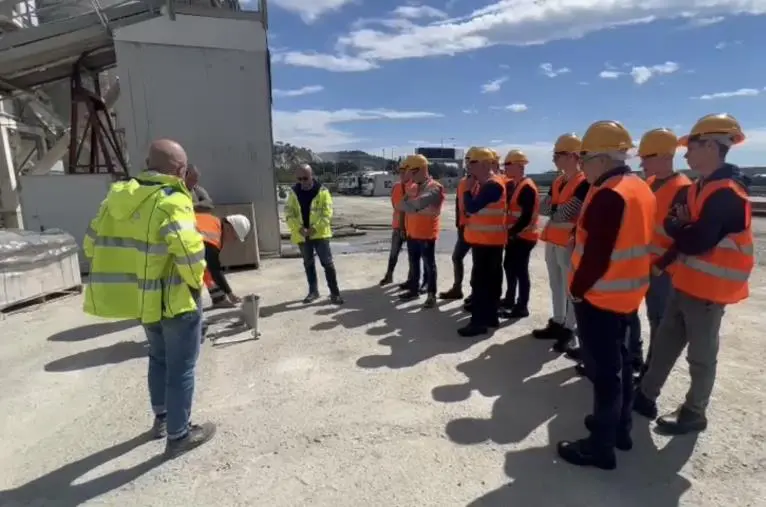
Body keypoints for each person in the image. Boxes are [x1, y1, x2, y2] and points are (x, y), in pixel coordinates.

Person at [82, 139, 216, 459]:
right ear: (179, 170)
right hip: (174, 301)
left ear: (147, 163)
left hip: (143, 299)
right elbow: (189, 250)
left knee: (158, 358)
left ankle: (162, 420)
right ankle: (179, 435)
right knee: (181, 367)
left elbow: (90, 246)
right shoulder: (172, 198)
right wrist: (195, 284)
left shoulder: (116, 198)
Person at [635, 114, 754, 435]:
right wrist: (683, 226)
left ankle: (694, 412)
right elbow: (682, 232)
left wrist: (681, 226)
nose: (685, 154)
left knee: (700, 357)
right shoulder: (701, 187)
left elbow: (696, 240)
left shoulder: (727, 193)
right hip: (685, 283)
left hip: (710, 291)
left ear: (713, 146)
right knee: (664, 344)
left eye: (693, 146)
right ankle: (645, 395)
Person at [557, 121, 656, 470]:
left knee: (605, 373)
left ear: (600, 158)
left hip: (601, 296)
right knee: (624, 365)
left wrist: (578, 291)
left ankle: (600, 446)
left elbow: (597, 255)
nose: (581, 165)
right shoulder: (638, 187)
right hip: (628, 293)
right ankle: (620, 429)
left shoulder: (609, 193)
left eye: (583, 157)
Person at [636, 128, 692, 378]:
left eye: (646, 157)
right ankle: (636, 360)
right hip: (642, 264)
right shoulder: (648, 184)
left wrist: (662, 263)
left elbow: (683, 236)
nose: (642, 162)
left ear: (664, 155)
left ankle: (650, 373)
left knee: (659, 322)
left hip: (663, 269)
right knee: (640, 316)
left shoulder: (683, 189)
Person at [532, 134, 590, 355]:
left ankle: (569, 330)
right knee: (555, 285)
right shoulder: (559, 181)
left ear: (573, 156)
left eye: (559, 155)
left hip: (569, 244)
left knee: (569, 290)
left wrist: (556, 209)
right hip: (554, 241)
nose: (555, 159)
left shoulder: (583, 182)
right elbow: (543, 209)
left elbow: (568, 212)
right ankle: (558, 321)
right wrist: (557, 210)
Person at [459, 147, 507, 336]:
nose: (469, 167)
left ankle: (478, 322)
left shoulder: (492, 185)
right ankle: (490, 317)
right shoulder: (485, 183)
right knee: (491, 281)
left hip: (488, 242)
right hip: (487, 241)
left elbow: (472, 207)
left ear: (485, 165)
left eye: (473, 163)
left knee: (482, 284)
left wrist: (467, 191)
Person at [285, 163, 344, 305]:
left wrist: (314, 229)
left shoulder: (323, 192)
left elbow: (327, 214)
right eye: (299, 179)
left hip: (320, 235)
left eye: (305, 178)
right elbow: (288, 213)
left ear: (312, 176)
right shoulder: (293, 193)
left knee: (328, 264)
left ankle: (335, 294)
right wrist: (299, 228)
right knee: (308, 264)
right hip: (302, 235)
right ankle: (313, 292)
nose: (302, 182)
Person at [397, 154, 444, 308]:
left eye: (411, 171)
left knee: (429, 266)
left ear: (420, 170)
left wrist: (410, 205)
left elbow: (418, 203)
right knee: (413, 264)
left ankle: (431, 295)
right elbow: (400, 205)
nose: (409, 175)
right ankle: (414, 290)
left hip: (426, 235)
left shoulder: (435, 187)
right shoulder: (412, 187)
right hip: (413, 234)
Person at [500, 149, 540, 318]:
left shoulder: (527, 187)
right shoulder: (514, 184)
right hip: (515, 236)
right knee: (509, 266)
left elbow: (526, 217)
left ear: (518, 166)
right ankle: (509, 298)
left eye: (508, 165)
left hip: (524, 236)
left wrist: (512, 232)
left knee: (520, 271)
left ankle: (522, 306)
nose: (505, 168)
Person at [439, 147, 479, 301]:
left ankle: (475, 293)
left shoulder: (481, 183)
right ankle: (457, 288)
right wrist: (458, 224)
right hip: (463, 228)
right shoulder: (463, 182)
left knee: (477, 262)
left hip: (476, 229)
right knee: (457, 257)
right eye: (467, 161)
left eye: (472, 161)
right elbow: (458, 204)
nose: (469, 164)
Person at [195, 212, 252, 308]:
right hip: (173, 253)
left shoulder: (213, 221)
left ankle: (219, 299)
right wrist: (230, 293)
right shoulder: (212, 237)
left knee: (206, 267)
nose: (233, 241)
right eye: (234, 237)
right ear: (229, 228)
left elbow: (210, 268)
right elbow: (215, 270)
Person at [379, 163, 411, 286]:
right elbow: (395, 205)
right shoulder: (397, 187)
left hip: (411, 227)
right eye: (400, 172)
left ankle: (410, 279)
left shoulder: (414, 187)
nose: (402, 174)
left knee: (412, 256)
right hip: (398, 226)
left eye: (404, 171)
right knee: (393, 253)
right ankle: (389, 275)